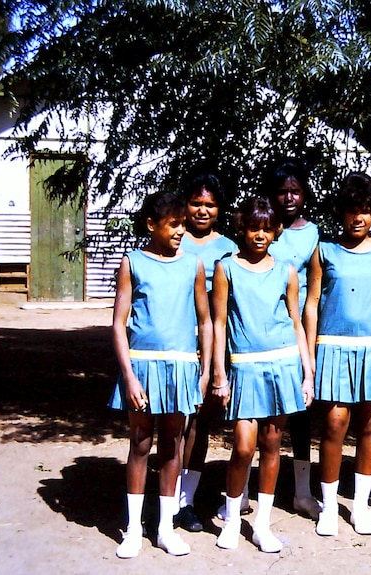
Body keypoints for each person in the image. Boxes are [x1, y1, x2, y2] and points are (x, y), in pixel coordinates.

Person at [108, 191, 212, 558]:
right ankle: (134, 529)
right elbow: (119, 324)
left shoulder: (193, 265)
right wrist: (129, 377)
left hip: (182, 366)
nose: (181, 230)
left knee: (173, 444)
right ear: (151, 225)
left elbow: (205, 320)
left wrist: (205, 371)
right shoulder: (132, 263)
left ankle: (165, 527)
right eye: (174, 224)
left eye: (184, 223)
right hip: (143, 365)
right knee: (140, 442)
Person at [303, 172, 371, 537]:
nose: (359, 218)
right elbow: (312, 303)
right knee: (333, 424)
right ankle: (329, 507)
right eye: (352, 211)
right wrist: (311, 354)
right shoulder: (324, 250)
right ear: (341, 213)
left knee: (370, 427)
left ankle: (359, 506)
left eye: (366, 211)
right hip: (333, 348)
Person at [211, 197, 315, 552]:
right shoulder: (227, 268)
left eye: (267, 229)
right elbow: (219, 323)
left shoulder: (286, 270)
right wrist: (219, 374)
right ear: (242, 229)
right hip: (244, 367)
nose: (260, 235)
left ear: (276, 231)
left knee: (272, 444)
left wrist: (306, 374)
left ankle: (262, 525)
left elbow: (297, 322)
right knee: (242, 447)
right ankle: (231, 517)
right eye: (254, 228)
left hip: (283, 364)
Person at [175, 173, 237, 532]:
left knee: (199, 423)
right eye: (196, 203)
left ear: (219, 209)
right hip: (173, 343)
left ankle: (187, 500)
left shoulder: (228, 247)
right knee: (172, 423)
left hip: (212, 346)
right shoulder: (172, 239)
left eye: (209, 205)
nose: (202, 210)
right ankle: (165, 498)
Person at [264, 160, 322, 519]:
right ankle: (243, 494)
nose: (289, 197)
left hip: (296, 332)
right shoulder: (259, 226)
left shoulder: (313, 233)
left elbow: (315, 293)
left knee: (300, 415)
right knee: (259, 414)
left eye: (295, 190)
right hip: (259, 334)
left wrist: (310, 349)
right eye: (282, 190)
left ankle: (303, 491)